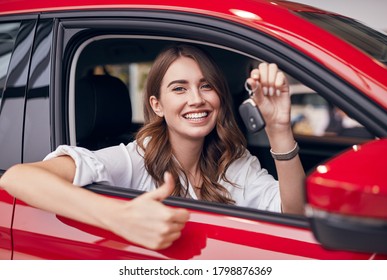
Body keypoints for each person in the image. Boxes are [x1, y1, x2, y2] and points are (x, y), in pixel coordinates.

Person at [0, 44, 305, 250]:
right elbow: (17, 178)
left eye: (206, 85)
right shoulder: (135, 158)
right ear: (157, 106)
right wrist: (118, 216)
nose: (196, 99)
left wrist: (278, 128)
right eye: (179, 88)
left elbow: (294, 212)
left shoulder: (234, 160)